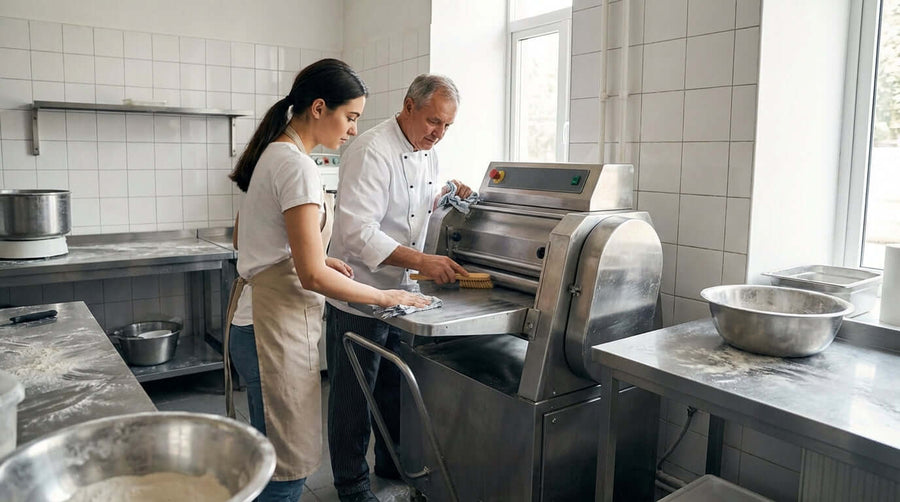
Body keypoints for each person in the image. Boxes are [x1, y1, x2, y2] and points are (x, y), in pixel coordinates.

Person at [223, 59, 430, 502]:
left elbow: (249, 236)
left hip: (256, 323)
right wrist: (383, 294)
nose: (353, 130)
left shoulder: (276, 152)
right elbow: (310, 276)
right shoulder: (296, 166)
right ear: (319, 108)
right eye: (350, 116)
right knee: (286, 470)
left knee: (272, 455)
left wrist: (314, 257)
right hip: (270, 329)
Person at [325, 74, 473, 502]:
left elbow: (414, 208)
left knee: (393, 391)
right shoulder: (371, 149)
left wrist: (447, 194)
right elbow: (357, 233)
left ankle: (391, 467)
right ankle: (352, 489)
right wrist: (423, 262)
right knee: (353, 402)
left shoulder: (427, 154)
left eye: (447, 126)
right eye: (432, 121)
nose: (438, 133)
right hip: (358, 296)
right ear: (408, 106)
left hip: (400, 297)